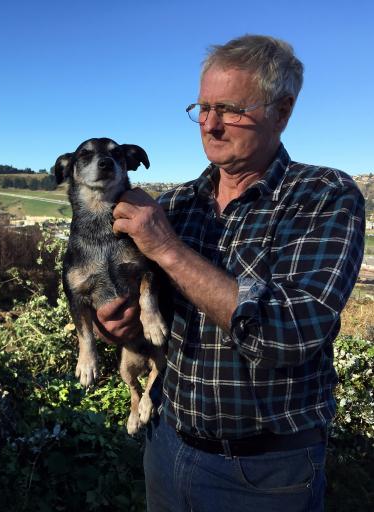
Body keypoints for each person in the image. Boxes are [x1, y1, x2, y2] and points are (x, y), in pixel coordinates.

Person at [96, 34, 365, 511]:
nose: (210, 125)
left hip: (266, 473)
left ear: (282, 112)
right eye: (202, 108)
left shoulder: (323, 195)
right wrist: (125, 327)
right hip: (166, 443)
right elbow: (157, 318)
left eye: (230, 109)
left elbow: (289, 334)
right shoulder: (176, 203)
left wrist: (167, 248)